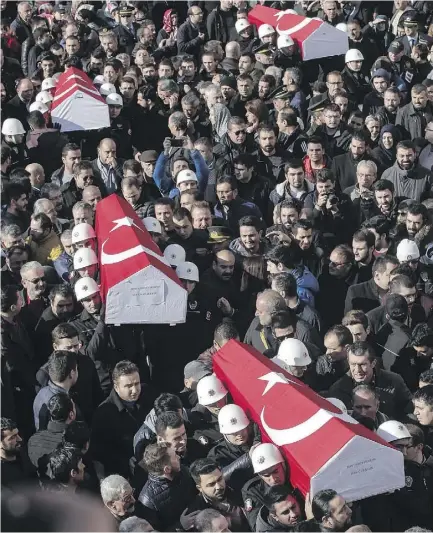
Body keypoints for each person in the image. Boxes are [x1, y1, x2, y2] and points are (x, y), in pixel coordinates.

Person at [90, 361, 156, 478]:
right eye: (128, 386)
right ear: (116, 387)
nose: (135, 390)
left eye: (137, 384)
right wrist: (127, 462)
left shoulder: (148, 395)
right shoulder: (104, 414)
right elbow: (101, 453)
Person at [329, 341, 413, 418]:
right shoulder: (339, 389)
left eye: (362, 364)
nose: (357, 370)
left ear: (373, 363)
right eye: (353, 364)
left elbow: (411, 410)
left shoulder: (394, 381)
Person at [138, 442, 197, 531]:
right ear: (167, 469)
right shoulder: (148, 501)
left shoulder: (183, 471)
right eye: (174, 456)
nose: (178, 457)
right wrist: (181, 526)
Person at [182, 458, 250, 532]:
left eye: (220, 479)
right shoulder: (197, 513)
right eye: (211, 484)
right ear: (199, 488)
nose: (218, 487)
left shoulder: (239, 489)